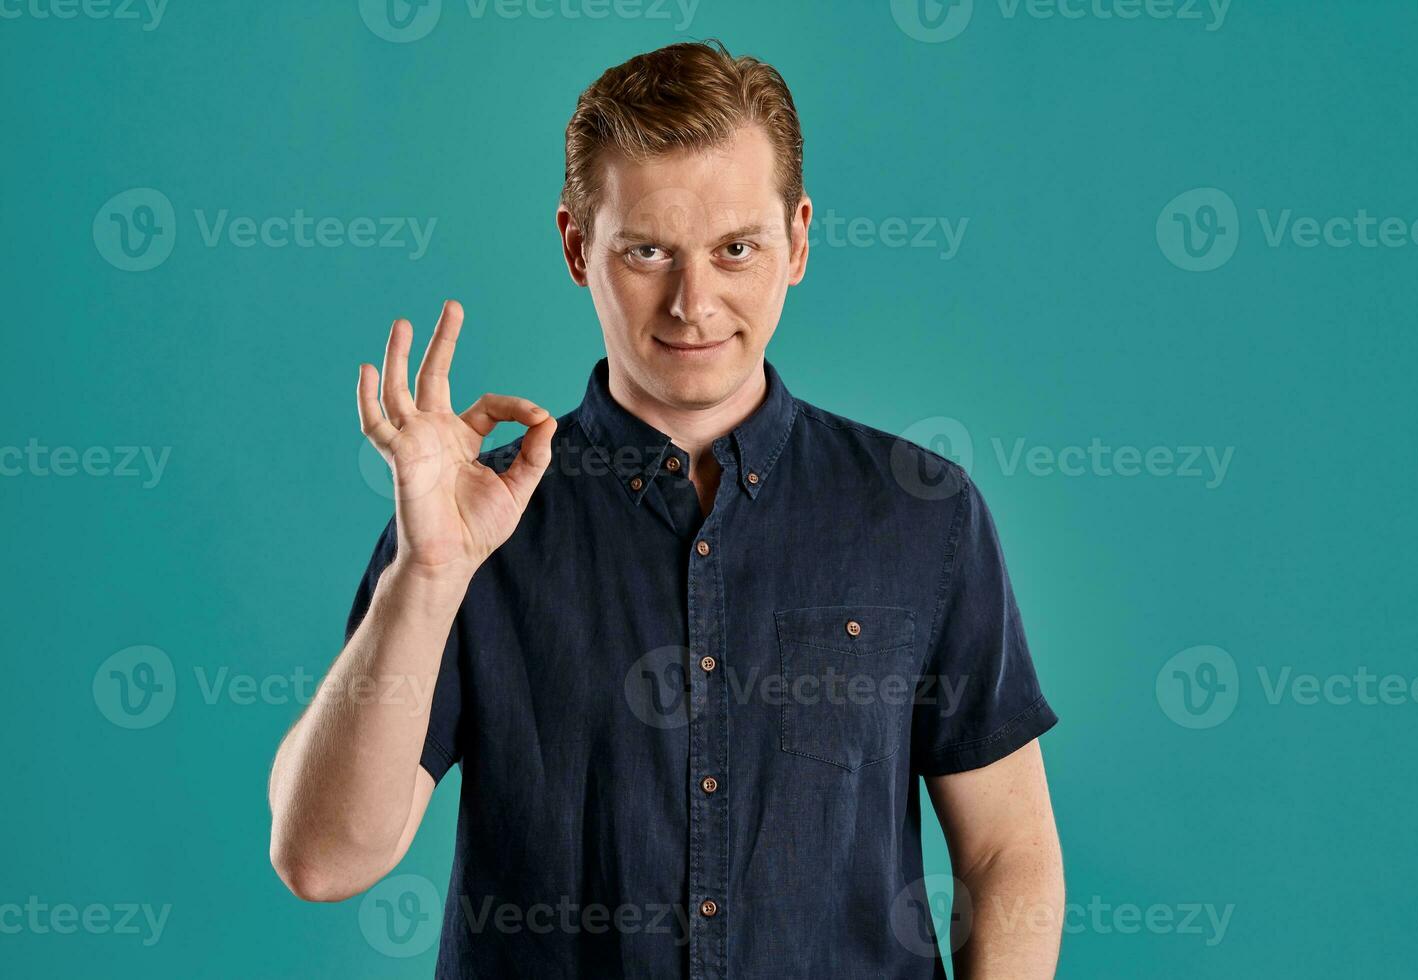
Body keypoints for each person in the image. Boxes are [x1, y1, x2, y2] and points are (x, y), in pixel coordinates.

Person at [267, 38, 1063, 979]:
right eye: (648, 250)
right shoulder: (466, 521)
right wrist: (429, 573)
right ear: (576, 247)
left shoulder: (921, 514)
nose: (695, 303)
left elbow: (1007, 856)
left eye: (737, 249)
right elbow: (324, 859)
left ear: (798, 240)